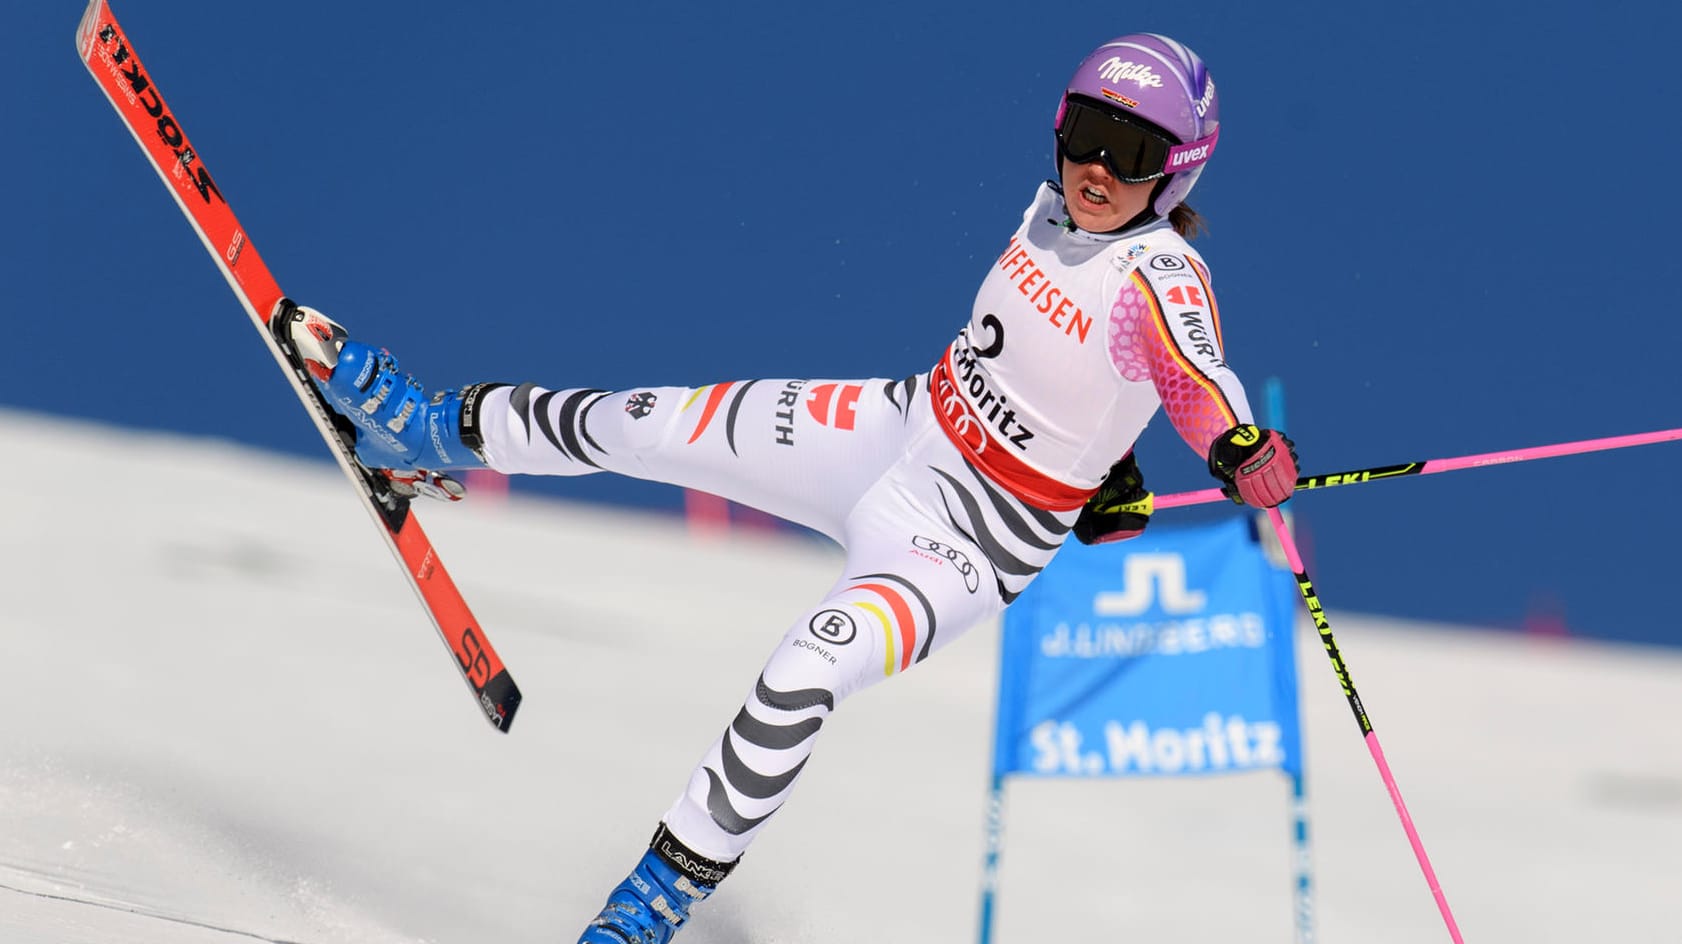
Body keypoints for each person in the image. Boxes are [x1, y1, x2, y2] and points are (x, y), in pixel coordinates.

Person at [286, 32, 1298, 944]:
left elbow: (1187, 373)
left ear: (1173, 173)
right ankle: (425, 427)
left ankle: (644, 911)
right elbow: (1066, 369)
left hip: (962, 545)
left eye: (1126, 152)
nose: (1092, 168)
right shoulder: (1047, 207)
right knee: (646, 421)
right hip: (892, 426)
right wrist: (1107, 466)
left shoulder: (1160, 273)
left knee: (799, 677)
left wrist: (1235, 446)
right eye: (1083, 132)